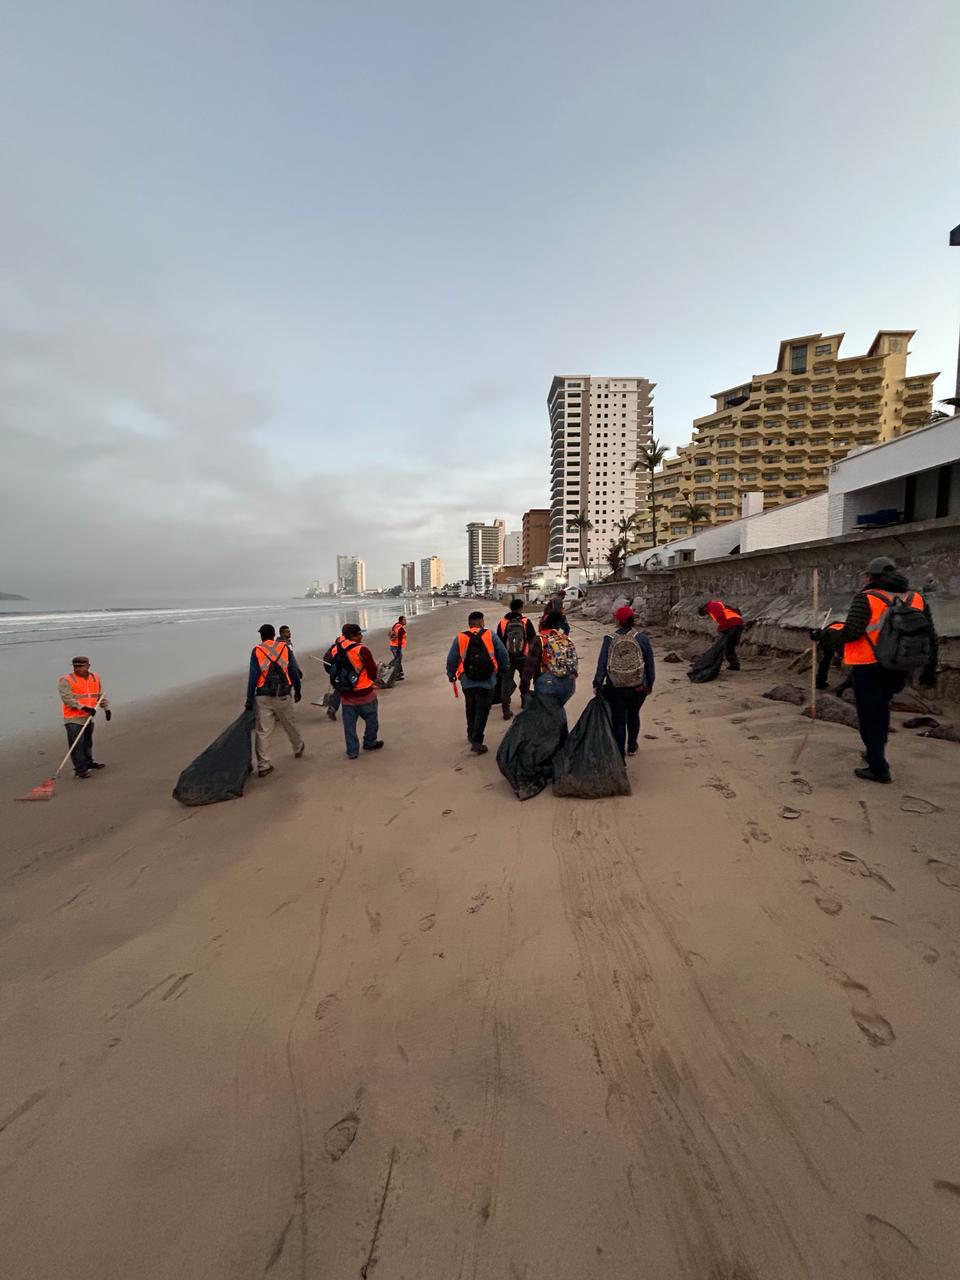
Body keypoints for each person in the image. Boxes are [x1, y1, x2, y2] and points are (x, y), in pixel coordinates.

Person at [812, 555, 937, 784]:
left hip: (869, 666)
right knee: (881, 711)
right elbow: (930, 635)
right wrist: (930, 669)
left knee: (870, 716)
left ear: (871, 576)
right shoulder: (916, 598)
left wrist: (824, 636)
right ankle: (874, 752)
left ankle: (878, 767)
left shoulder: (866, 598)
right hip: (900, 666)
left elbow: (851, 632)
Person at [593, 606, 656, 758]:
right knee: (633, 715)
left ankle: (620, 755)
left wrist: (597, 682)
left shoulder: (609, 639)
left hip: (616, 687)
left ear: (617, 620)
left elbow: (602, 663)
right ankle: (632, 746)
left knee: (619, 720)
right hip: (638, 686)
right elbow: (649, 663)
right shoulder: (642, 638)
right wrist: (649, 683)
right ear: (632, 619)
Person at [446, 611, 510, 754]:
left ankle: (471, 733)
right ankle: (477, 741)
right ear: (481, 623)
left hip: (467, 680)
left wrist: (451, 674)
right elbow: (503, 654)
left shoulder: (460, 638)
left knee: (470, 706)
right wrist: (503, 669)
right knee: (483, 710)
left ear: (469, 624)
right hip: (488, 680)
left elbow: (452, 658)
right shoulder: (490, 635)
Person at [245, 624, 304, 778]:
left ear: (262, 636)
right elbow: (293, 671)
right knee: (289, 723)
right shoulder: (284, 648)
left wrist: (249, 698)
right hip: (283, 693)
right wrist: (297, 689)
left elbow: (253, 677)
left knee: (263, 731)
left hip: (262, 695)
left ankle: (264, 765)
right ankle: (298, 748)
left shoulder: (257, 650)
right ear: (273, 635)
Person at [328, 623, 384, 759]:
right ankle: (369, 742)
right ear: (353, 635)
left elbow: (331, 668)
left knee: (349, 726)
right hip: (364, 692)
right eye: (359, 634)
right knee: (371, 720)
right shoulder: (361, 649)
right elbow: (371, 670)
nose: (361, 636)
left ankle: (352, 751)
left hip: (346, 694)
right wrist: (374, 680)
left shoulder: (335, 649)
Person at [58, 656, 111, 779]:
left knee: (87, 742)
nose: (78, 669)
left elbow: (100, 695)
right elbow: (67, 699)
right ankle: (80, 769)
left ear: (88, 666)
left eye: (81, 666)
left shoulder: (94, 678)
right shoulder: (66, 680)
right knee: (77, 744)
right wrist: (83, 707)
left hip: (88, 717)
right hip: (73, 718)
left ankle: (88, 763)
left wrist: (106, 708)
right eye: (75, 666)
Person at [524, 610, 578, 706]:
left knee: (547, 714)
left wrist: (524, 686)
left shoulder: (539, 640)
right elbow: (573, 659)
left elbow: (529, 667)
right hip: (568, 683)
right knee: (558, 709)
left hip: (546, 682)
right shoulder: (565, 638)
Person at [496, 599, 537, 720]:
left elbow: (498, 642)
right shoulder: (525, 621)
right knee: (525, 679)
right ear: (521, 608)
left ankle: (506, 708)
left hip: (507, 657)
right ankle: (525, 701)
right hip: (523, 656)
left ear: (510, 607)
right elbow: (533, 640)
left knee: (506, 682)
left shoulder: (502, 623)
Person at [698, 599, 744, 669]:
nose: (707, 614)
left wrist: (722, 628)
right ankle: (734, 664)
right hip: (738, 624)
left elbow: (720, 616)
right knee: (730, 645)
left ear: (704, 608)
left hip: (731, 624)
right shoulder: (719, 604)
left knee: (726, 645)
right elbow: (736, 611)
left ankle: (732, 664)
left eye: (705, 612)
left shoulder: (712, 606)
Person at [815, 620, 850, 694]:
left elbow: (819, 636)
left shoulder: (833, 626)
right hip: (836, 637)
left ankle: (820, 682)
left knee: (825, 660)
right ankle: (843, 688)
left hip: (828, 633)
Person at [321, 631, 346, 720]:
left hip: (334, 672)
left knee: (339, 689)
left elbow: (327, 664)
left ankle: (333, 707)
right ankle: (333, 707)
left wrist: (332, 674)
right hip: (341, 672)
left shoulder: (331, 650)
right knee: (342, 689)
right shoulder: (343, 649)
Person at [389, 616, 407, 680]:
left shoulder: (396, 625)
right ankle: (397, 674)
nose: (406, 621)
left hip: (393, 645)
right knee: (397, 660)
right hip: (396, 646)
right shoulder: (400, 628)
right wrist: (399, 649)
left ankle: (399, 673)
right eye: (404, 620)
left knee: (398, 659)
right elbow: (400, 639)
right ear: (401, 621)